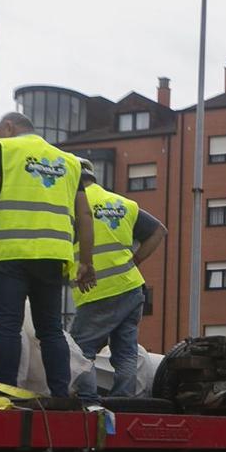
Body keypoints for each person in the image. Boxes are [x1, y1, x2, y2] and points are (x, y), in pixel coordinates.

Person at [0, 111, 95, 398]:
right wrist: (87, 261)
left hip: (11, 253)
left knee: (8, 326)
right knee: (51, 329)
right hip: (53, 256)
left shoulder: (4, 148)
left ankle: (6, 394)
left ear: (8, 128)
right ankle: (60, 394)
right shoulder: (71, 162)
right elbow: (85, 214)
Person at [68, 170, 165, 403]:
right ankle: (124, 399)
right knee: (126, 351)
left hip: (97, 289)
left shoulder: (72, 203)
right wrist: (135, 261)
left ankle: (87, 399)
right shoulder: (124, 204)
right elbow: (159, 231)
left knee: (80, 349)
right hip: (131, 287)